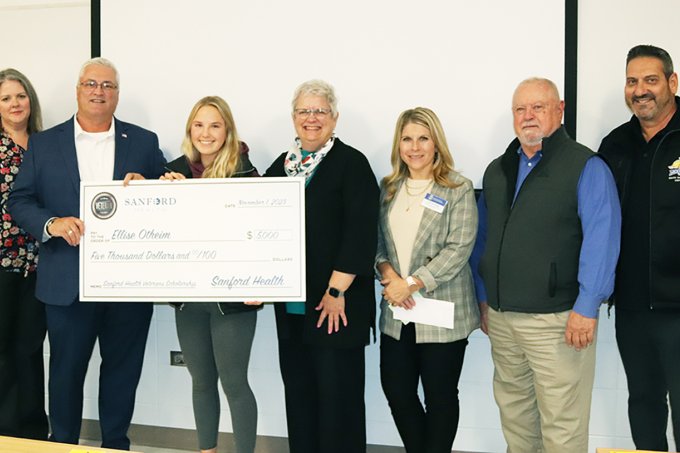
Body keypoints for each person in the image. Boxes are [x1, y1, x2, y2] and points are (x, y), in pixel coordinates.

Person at [8, 57, 166, 450]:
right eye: (91, 84)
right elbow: (20, 200)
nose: (99, 91)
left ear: (117, 94)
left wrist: (151, 187)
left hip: (127, 285)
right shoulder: (45, 143)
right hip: (67, 283)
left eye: (108, 85)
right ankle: (62, 444)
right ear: (78, 90)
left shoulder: (144, 141)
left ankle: (114, 444)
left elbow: (168, 196)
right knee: (65, 374)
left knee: (122, 372)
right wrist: (52, 224)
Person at [471, 77, 621, 453]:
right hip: (503, 321)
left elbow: (602, 240)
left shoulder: (585, 166)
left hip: (558, 323)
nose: (529, 116)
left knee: (562, 428)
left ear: (560, 109)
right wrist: (485, 297)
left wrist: (587, 307)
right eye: (520, 109)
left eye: (538, 106)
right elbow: (484, 240)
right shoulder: (497, 169)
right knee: (517, 423)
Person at [263, 80, 379, 453]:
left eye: (320, 111)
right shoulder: (281, 168)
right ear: (293, 118)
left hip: (336, 307)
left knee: (337, 401)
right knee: (299, 396)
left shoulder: (352, 164)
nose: (311, 119)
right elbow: (252, 221)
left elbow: (360, 233)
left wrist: (335, 291)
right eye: (304, 111)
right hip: (293, 308)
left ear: (334, 118)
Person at [376, 107, 479, 453]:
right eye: (407, 138)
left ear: (436, 144)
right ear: (398, 144)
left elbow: (459, 248)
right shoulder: (389, 188)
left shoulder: (458, 188)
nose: (415, 147)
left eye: (423, 138)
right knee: (397, 392)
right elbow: (377, 245)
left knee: (440, 397)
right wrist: (389, 275)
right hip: (398, 312)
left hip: (440, 312)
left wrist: (413, 283)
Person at [161, 96, 260, 453]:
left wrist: (267, 281)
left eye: (215, 125)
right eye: (199, 125)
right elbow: (155, 229)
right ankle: (207, 450)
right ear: (190, 130)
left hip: (232, 301)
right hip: (189, 300)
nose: (206, 133)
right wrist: (151, 190)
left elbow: (262, 237)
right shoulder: (172, 171)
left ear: (228, 131)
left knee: (234, 383)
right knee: (201, 381)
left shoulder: (246, 174)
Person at [598, 44, 680, 452]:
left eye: (650, 80)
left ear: (672, 82)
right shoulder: (614, 145)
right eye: (632, 81)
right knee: (643, 404)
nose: (640, 90)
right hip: (632, 307)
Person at [0, 68, 48, 440]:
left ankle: (31, 434)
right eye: (5, 98)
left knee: (30, 349)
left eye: (20, 95)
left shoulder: (47, 144)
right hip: (2, 265)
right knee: (2, 350)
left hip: (41, 264)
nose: (15, 104)